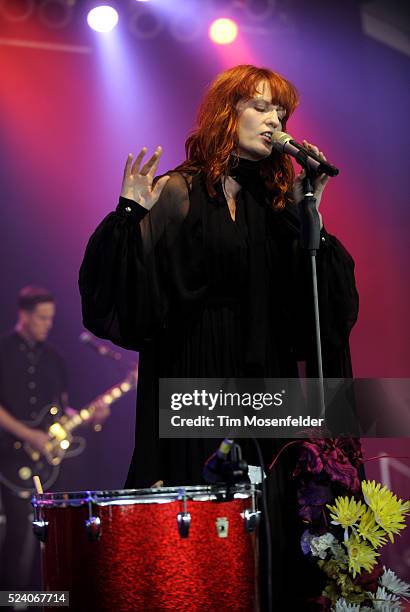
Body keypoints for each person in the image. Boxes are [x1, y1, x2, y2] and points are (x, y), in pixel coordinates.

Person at [79, 65, 358, 608]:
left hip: (265, 383)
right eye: (260, 105)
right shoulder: (178, 191)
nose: (275, 118)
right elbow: (122, 294)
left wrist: (312, 218)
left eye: (280, 109)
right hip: (195, 373)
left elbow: (325, 310)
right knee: (211, 533)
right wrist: (130, 212)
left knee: (271, 527)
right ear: (226, 114)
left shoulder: (281, 204)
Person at [0, 286, 110, 594]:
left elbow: (62, 410)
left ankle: (49, 598)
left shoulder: (54, 358)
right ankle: (13, 602)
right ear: (23, 316)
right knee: (19, 536)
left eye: (51, 318)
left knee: (55, 531)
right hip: (11, 457)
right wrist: (27, 434)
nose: (48, 324)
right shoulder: (3, 352)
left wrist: (91, 418)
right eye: (41, 318)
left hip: (50, 464)